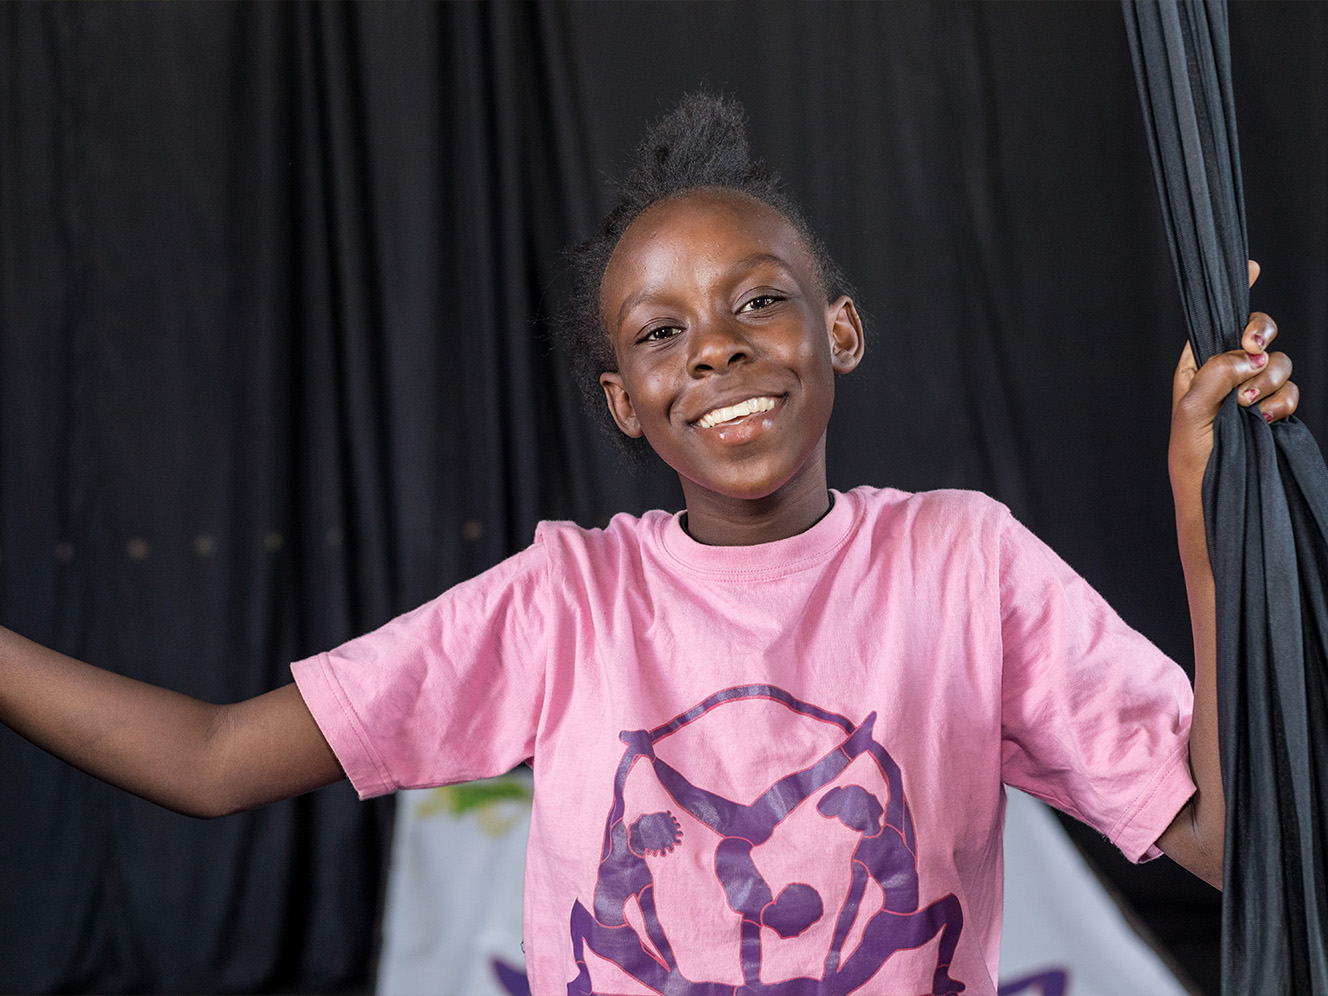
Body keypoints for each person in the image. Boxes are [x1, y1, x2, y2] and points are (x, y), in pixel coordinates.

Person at [0, 93, 1300, 995]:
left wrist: (1203, 504)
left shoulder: (962, 566)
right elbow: (218, 758)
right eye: (660, 332)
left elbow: (1224, 839)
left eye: (758, 302)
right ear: (622, 399)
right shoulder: (566, 602)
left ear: (838, 331)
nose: (719, 348)